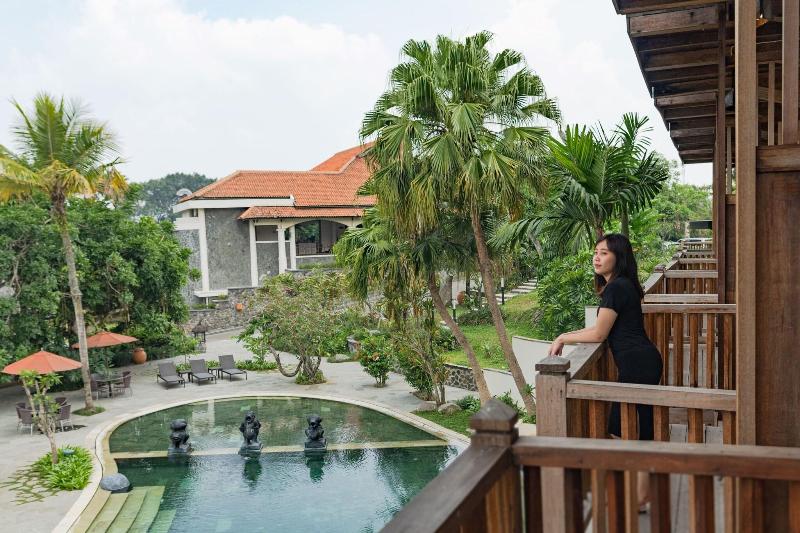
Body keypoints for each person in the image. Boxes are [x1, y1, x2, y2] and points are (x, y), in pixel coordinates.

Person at [547, 233, 663, 508]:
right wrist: (564, 336)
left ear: (618, 257)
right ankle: (641, 495)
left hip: (636, 364)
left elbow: (599, 334)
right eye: (596, 252)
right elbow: (601, 328)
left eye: (604, 253)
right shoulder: (623, 285)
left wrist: (563, 338)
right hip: (644, 361)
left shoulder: (616, 288)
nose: (596, 258)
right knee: (639, 429)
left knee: (620, 430)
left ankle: (634, 494)